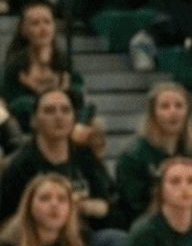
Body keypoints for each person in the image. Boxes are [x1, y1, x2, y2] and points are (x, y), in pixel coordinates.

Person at [0, 89, 112, 226]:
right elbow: (8, 218)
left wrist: (87, 207)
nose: (59, 116)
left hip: (84, 233)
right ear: (34, 120)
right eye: (49, 111)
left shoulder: (85, 156)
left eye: (65, 110)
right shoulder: (19, 165)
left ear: (73, 119)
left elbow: (106, 202)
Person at [113, 82, 192, 227]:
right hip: (150, 229)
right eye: (165, 106)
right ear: (152, 114)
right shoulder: (133, 156)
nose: (173, 112)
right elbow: (134, 209)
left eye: (179, 106)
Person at [2, 0, 89, 135]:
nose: (43, 29)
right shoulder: (14, 66)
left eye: (47, 22)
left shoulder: (63, 62)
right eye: (35, 23)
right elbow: (11, 107)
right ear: (23, 29)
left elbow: (78, 98)